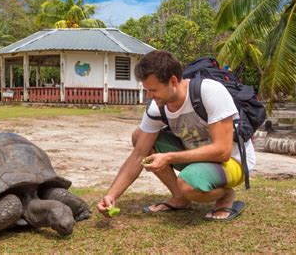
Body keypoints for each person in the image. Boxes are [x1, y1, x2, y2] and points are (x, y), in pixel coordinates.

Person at [97, 50, 256, 220]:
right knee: (139, 137)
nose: (149, 95)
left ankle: (225, 195)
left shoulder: (209, 91)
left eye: (153, 90)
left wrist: (169, 157)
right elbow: (139, 154)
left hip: (232, 161)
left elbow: (222, 151)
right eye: (147, 90)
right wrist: (112, 195)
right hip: (196, 157)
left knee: (187, 184)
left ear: (173, 81)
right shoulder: (157, 107)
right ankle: (180, 198)